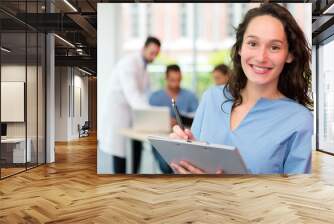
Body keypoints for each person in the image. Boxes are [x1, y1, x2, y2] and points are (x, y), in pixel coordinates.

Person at [170, 3, 313, 174]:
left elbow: (295, 195)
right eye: (252, 43)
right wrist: (183, 161)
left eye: (274, 47)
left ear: (289, 54)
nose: (261, 57)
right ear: (240, 48)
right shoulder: (212, 98)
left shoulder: (298, 119)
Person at [99, 36, 161, 174]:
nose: (154, 56)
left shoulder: (144, 67)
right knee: (119, 149)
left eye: (156, 53)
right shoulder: (129, 63)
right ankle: (120, 180)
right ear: (143, 48)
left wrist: (150, 110)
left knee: (136, 143)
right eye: (152, 52)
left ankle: (135, 174)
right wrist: (151, 115)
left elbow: (145, 94)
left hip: (131, 111)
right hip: (118, 110)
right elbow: (133, 95)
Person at [149, 64, 198, 173]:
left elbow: (196, 119)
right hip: (161, 137)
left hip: (183, 139)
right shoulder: (155, 97)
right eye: (172, 80)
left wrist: (181, 121)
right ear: (166, 78)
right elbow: (149, 120)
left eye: (178, 80)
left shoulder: (190, 96)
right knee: (166, 166)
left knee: (186, 164)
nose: (175, 83)